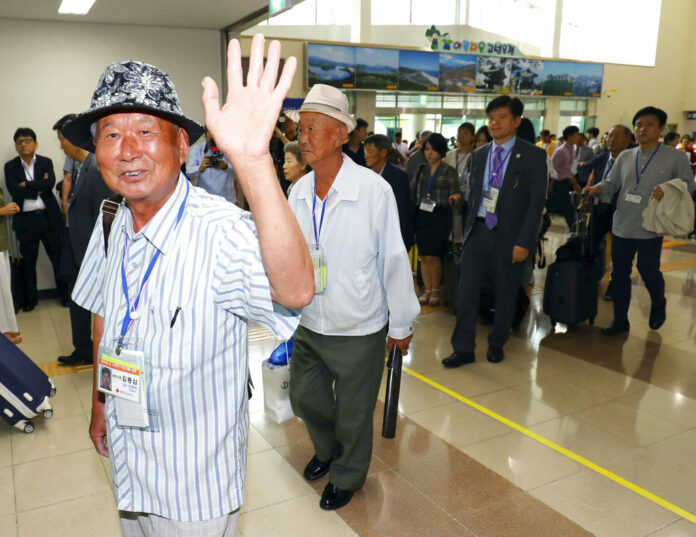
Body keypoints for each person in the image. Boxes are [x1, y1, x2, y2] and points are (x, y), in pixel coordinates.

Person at [65, 35, 314, 535]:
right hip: (128, 455)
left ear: (182, 144)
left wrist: (253, 161)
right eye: (110, 135)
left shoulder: (220, 231)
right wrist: (99, 404)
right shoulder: (111, 217)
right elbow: (102, 316)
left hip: (192, 483)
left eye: (144, 130)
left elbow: (296, 291)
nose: (128, 150)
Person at [287, 84, 419, 511]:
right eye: (300, 128)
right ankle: (327, 450)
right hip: (310, 319)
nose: (302, 137)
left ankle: (347, 474)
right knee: (304, 397)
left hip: (359, 324)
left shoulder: (372, 190)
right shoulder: (299, 192)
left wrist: (400, 324)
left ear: (341, 134)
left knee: (355, 411)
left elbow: (395, 259)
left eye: (311, 128)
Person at [443, 96, 546, 368]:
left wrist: (524, 241)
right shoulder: (479, 155)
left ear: (516, 121)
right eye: (491, 118)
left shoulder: (534, 155)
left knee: (505, 292)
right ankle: (463, 348)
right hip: (478, 232)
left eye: (501, 117)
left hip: (510, 237)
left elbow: (536, 204)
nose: (495, 123)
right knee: (466, 293)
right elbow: (476, 193)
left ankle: (497, 342)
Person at [584, 106, 693, 335]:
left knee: (647, 269)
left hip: (651, 225)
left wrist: (669, 191)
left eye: (649, 124)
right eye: (639, 125)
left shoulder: (674, 157)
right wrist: (596, 188)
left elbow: (688, 186)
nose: (642, 129)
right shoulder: (626, 156)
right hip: (622, 224)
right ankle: (620, 320)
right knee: (620, 274)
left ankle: (659, 302)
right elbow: (611, 184)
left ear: (661, 128)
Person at [52, 114, 113, 366]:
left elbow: (106, 216)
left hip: (92, 252)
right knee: (76, 297)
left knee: (99, 307)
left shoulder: (96, 169)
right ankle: (83, 348)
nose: (61, 146)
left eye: (62, 140)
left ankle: (98, 350)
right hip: (79, 248)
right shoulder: (82, 167)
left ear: (74, 139)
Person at [4, 128, 67, 311]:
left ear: (35, 144)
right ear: (16, 146)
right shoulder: (10, 166)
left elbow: (50, 184)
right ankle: (31, 301)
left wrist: (27, 185)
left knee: (58, 258)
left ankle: (65, 297)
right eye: (20, 141)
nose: (24, 144)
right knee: (29, 262)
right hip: (26, 220)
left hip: (49, 218)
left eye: (28, 140)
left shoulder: (46, 162)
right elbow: (14, 190)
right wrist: (38, 187)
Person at [583, 125, 632, 302]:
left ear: (627, 140)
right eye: (610, 135)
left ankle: (614, 286)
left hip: (622, 212)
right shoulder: (601, 158)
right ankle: (588, 280)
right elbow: (594, 180)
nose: (612, 140)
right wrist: (587, 198)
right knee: (590, 246)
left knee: (620, 252)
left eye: (617, 136)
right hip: (599, 209)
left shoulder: (632, 161)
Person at [411, 133, 462, 306]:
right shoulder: (420, 169)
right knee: (424, 256)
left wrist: (455, 197)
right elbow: (412, 192)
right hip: (422, 214)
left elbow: (457, 192)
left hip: (440, 215)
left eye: (433, 149)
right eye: (426, 149)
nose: (429, 153)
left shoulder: (449, 170)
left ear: (441, 151)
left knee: (435, 256)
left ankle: (435, 290)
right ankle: (426, 289)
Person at [364, 133, 414, 250]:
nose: (366, 155)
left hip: (392, 235)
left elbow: (402, 210)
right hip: (370, 236)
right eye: (365, 151)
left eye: (370, 151)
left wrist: (399, 242)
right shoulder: (365, 175)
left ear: (383, 152)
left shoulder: (398, 176)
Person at [186, 127, 239, 205]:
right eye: (211, 140)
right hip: (204, 202)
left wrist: (226, 167)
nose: (214, 145)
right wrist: (200, 168)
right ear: (206, 135)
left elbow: (239, 174)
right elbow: (188, 173)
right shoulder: (197, 150)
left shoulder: (230, 150)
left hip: (227, 201)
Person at [550, 125, 582, 230]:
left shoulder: (571, 150)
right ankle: (574, 231)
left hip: (565, 183)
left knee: (555, 207)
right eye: (577, 135)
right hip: (558, 184)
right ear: (570, 136)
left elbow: (568, 170)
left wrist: (575, 184)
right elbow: (551, 167)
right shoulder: (561, 151)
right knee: (567, 209)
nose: (579, 137)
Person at [0, 190, 21, 343]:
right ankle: (3, 331)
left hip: (2, 241)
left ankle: (7, 327)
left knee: (4, 288)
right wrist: (2, 210)